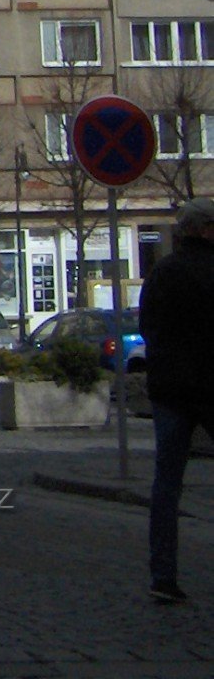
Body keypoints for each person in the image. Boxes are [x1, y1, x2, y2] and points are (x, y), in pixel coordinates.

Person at [143, 197, 214, 604]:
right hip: (210, 387)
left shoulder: (163, 271)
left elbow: (148, 326)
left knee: (167, 485)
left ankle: (163, 574)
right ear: (205, 229)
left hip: (170, 390)